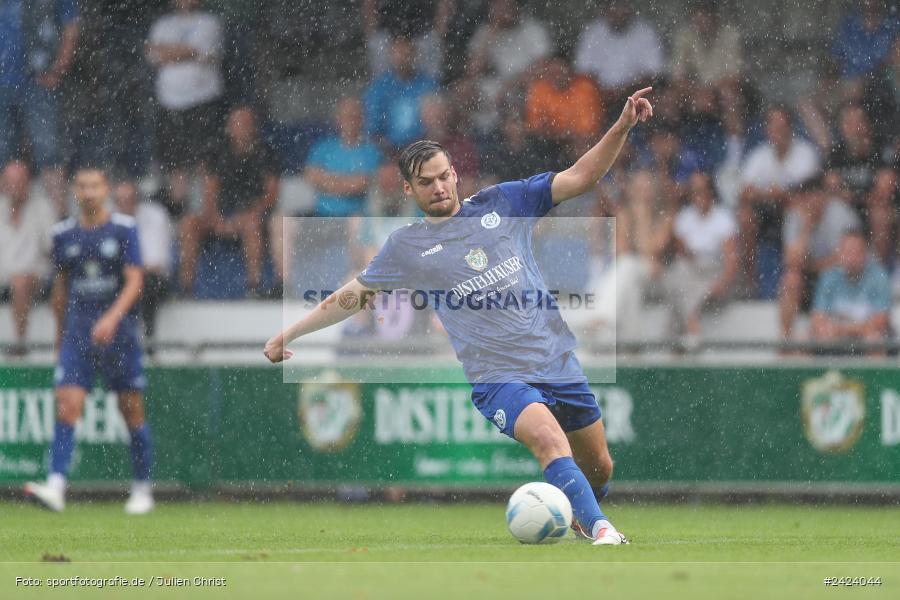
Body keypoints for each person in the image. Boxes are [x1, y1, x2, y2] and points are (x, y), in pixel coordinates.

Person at [265, 87, 655, 546]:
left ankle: (580, 511)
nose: (438, 188)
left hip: (557, 360)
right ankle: (603, 529)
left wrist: (621, 127)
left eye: (443, 176)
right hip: (499, 378)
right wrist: (292, 332)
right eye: (425, 182)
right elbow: (352, 296)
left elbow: (580, 176)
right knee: (549, 440)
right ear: (408, 189)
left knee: (600, 467)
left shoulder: (503, 203)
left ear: (455, 175)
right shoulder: (407, 246)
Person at [24, 165, 154, 514]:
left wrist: (112, 317)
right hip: (78, 336)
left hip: (119, 337)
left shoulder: (124, 229)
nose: (89, 192)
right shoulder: (63, 235)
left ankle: (142, 488)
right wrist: (59, 340)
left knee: (131, 411)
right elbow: (60, 290)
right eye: (83, 186)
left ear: (106, 189)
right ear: (75, 191)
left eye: (95, 185)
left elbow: (135, 280)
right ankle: (56, 486)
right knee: (67, 405)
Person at [178, 105, 279, 297]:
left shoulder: (266, 152)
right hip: (218, 214)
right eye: (237, 122)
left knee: (252, 224)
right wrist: (217, 220)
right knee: (188, 223)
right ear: (229, 127)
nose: (241, 126)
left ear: (254, 126)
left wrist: (246, 216)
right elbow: (210, 191)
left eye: (246, 122)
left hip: (251, 215)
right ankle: (186, 287)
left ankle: (254, 286)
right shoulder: (216, 152)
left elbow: (271, 194)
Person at [0, 0, 80, 217]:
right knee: (3, 155)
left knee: (49, 152)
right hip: (4, 83)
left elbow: (71, 27)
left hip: (38, 80)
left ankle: (60, 220)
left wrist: (58, 69)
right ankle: (6, 224)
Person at [146, 0, 224, 217]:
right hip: (169, 101)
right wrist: (188, 52)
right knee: (175, 161)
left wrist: (169, 51)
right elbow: (153, 54)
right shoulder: (162, 24)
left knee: (206, 160)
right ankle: (180, 210)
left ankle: (209, 214)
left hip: (202, 100)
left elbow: (203, 52)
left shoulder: (209, 22)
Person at [779, 174, 861, 342]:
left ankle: (837, 334)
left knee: (835, 276)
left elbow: (849, 257)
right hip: (812, 278)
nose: (814, 202)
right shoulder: (795, 216)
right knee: (791, 281)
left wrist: (811, 266)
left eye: (817, 195)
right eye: (808, 196)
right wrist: (806, 229)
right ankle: (786, 340)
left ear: (825, 196)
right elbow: (791, 262)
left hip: (840, 276)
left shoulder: (841, 214)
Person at [664, 171, 738, 349]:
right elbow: (682, 254)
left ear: (711, 192)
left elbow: (731, 261)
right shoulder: (684, 217)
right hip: (692, 272)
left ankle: (675, 337)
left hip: (715, 273)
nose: (698, 196)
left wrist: (721, 283)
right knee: (678, 272)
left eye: (702, 191)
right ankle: (692, 325)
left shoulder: (724, 218)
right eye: (694, 191)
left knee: (681, 289)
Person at [0, 161, 56, 356]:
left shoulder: (43, 208)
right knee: (17, 280)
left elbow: (52, 248)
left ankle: (20, 345)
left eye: (19, 181)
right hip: (3, 276)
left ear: (28, 183)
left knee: (20, 281)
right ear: (3, 183)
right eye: (10, 182)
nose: (15, 187)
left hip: (36, 276)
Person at [113, 179, 173, 356]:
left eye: (129, 200)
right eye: (120, 201)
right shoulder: (108, 219)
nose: (125, 205)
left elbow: (156, 264)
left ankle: (148, 341)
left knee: (145, 283)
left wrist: (128, 273)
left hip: (151, 280)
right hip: (120, 278)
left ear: (137, 199)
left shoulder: (155, 216)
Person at [810, 231, 891, 356]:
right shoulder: (828, 276)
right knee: (809, 339)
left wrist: (843, 329)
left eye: (856, 252)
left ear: (865, 255)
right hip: (837, 337)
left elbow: (882, 320)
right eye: (847, 252)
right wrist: (833, 330)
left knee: (874, 339)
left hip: (863, 338)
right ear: (839, 254)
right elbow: (817, 318)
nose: (852, 258)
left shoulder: (878, 276)